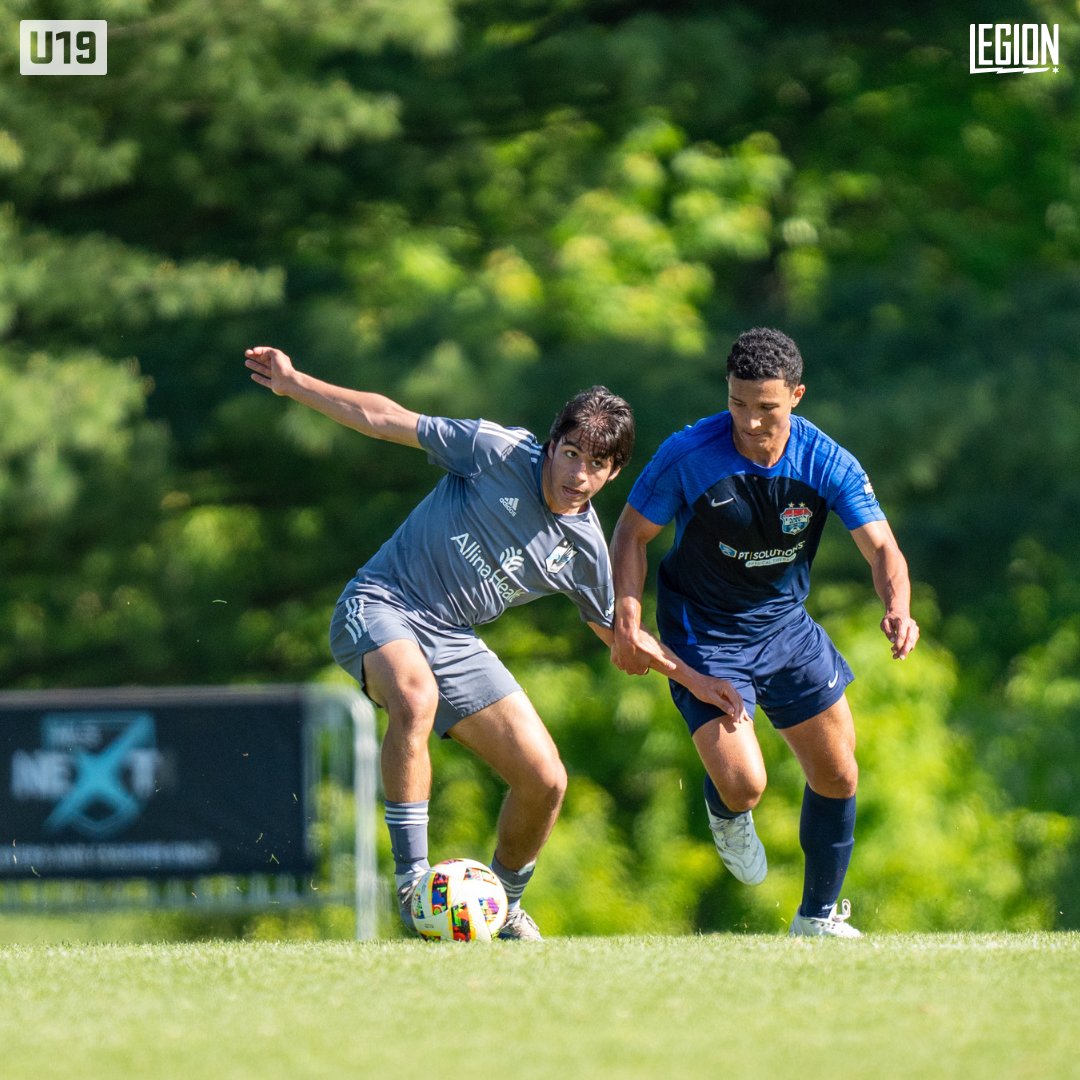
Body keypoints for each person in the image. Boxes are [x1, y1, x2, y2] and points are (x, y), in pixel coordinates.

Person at [244, 345, 743, 940]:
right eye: (571, 453)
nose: (577, 474)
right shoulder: (495, 451)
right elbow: (385, 417)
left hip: (453, 639)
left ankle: (501, 906)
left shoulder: (587, 551)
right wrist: (295, 383)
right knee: (415, 697)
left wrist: (695, 680)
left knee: (546, 780)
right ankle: (412, 883)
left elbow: (622, 636)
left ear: (614, 474)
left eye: (596, 464)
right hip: (379, 603)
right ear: (552, 444)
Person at [610, 327, 919, 938]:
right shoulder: (688, 453)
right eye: (738, 403)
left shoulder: (826, 460)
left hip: (785, 628)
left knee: (838, 774)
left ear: (797, 396)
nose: (750, 422)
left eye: (767, 407)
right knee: (746, 785)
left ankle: (817, 919)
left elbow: (882, 546)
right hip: (705, 633)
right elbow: (630, 535)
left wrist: (898, 605)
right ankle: (725, 813)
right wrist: (628, 620)